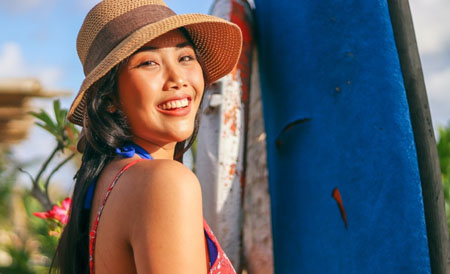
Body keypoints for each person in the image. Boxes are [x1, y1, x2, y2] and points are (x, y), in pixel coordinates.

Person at [53, 0, 242, 273]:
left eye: (185, 57)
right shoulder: (164, 182)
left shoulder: (104, 185)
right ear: (109, 98)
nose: (178, 78)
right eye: (149, 62)